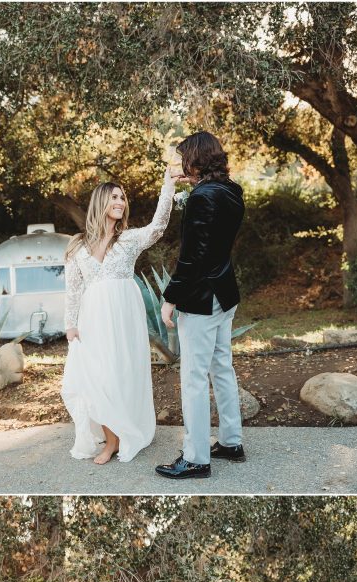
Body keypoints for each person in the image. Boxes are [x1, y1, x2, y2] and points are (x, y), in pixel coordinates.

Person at [61, 165, 179, 464]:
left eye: (122, 198)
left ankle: (120, 435)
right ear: (100, 202)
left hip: (124, 316)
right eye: (114, 197)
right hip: (93, 318)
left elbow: (158, 227)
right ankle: (110, 440)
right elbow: (73, 289)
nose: (120, 202)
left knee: (121, 374)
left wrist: (167, 188)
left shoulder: (129, 239)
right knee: (97, 377)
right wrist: (70, 325)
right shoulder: (78, 245)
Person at [156, 131, 246, 481]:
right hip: (225, 293)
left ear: (195, 159)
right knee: (221, 367)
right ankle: (231, 442)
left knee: (193, 377)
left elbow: (192, 258)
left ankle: (195, 458)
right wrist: (194, 181)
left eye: (185, 158)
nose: (181, 164)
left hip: (202, 299)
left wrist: (170, 297)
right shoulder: (231, 191)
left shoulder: (202, 197)